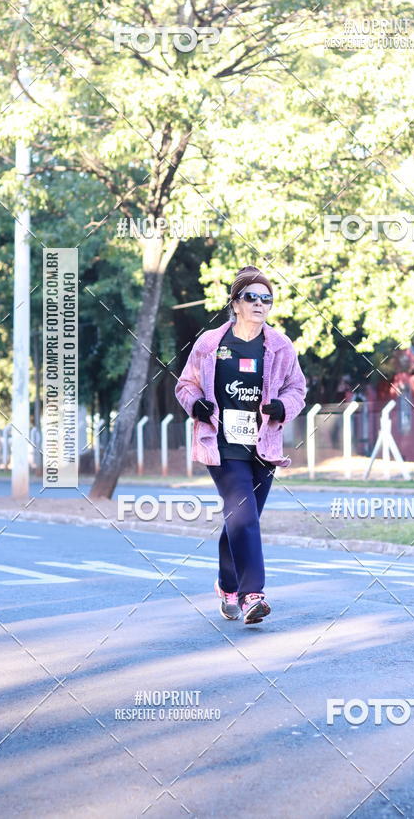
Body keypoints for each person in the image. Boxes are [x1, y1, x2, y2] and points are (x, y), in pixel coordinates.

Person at [175, 265, 307, 625]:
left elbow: (297, 389)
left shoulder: (280, 346)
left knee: (242, 519)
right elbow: (185, 385)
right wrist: (196, 405)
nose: (260, 303)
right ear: (235, 303)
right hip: (221, 445)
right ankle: (253, 595)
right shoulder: (211, 344)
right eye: (251, 297)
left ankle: (227, 585)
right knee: (244, 516)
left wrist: (283, 406)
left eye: (267, 298)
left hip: (263, 448)